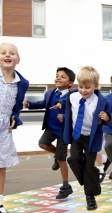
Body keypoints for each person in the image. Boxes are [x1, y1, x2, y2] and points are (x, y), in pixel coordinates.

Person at [63, 66, 112, 211]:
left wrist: (106, 118)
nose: (84, 90)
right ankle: (92, 177)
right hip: (77, 136)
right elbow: (67, 114)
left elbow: (110, 118)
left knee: (89, 166)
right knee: (73, 159)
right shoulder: (71, 96)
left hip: (92, 137)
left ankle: (90, 197)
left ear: (96, 86)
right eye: (81, 87)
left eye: (88, 87)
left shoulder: (101, 101)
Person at [24, 67, 75, 200]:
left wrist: (64, 115)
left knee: (62, 158)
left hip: (64, 131)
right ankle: (56, 156)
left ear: (70, 83)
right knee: (42, 143)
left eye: (62, 77)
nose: (58, 78)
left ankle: (66, 186)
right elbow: (42, 104)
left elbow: (75, 112)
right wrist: (29, 104)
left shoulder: (73, 95)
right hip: (51, 128)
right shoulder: (50, 93)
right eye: (57, 75)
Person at [0, 43, 29, 213]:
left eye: (12, 53)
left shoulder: (23, 83)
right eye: (3, 53)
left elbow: (17, 107)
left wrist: (14, 118)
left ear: (17, 59)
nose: (7, 55)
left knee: (1, 166)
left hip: (3, 128)